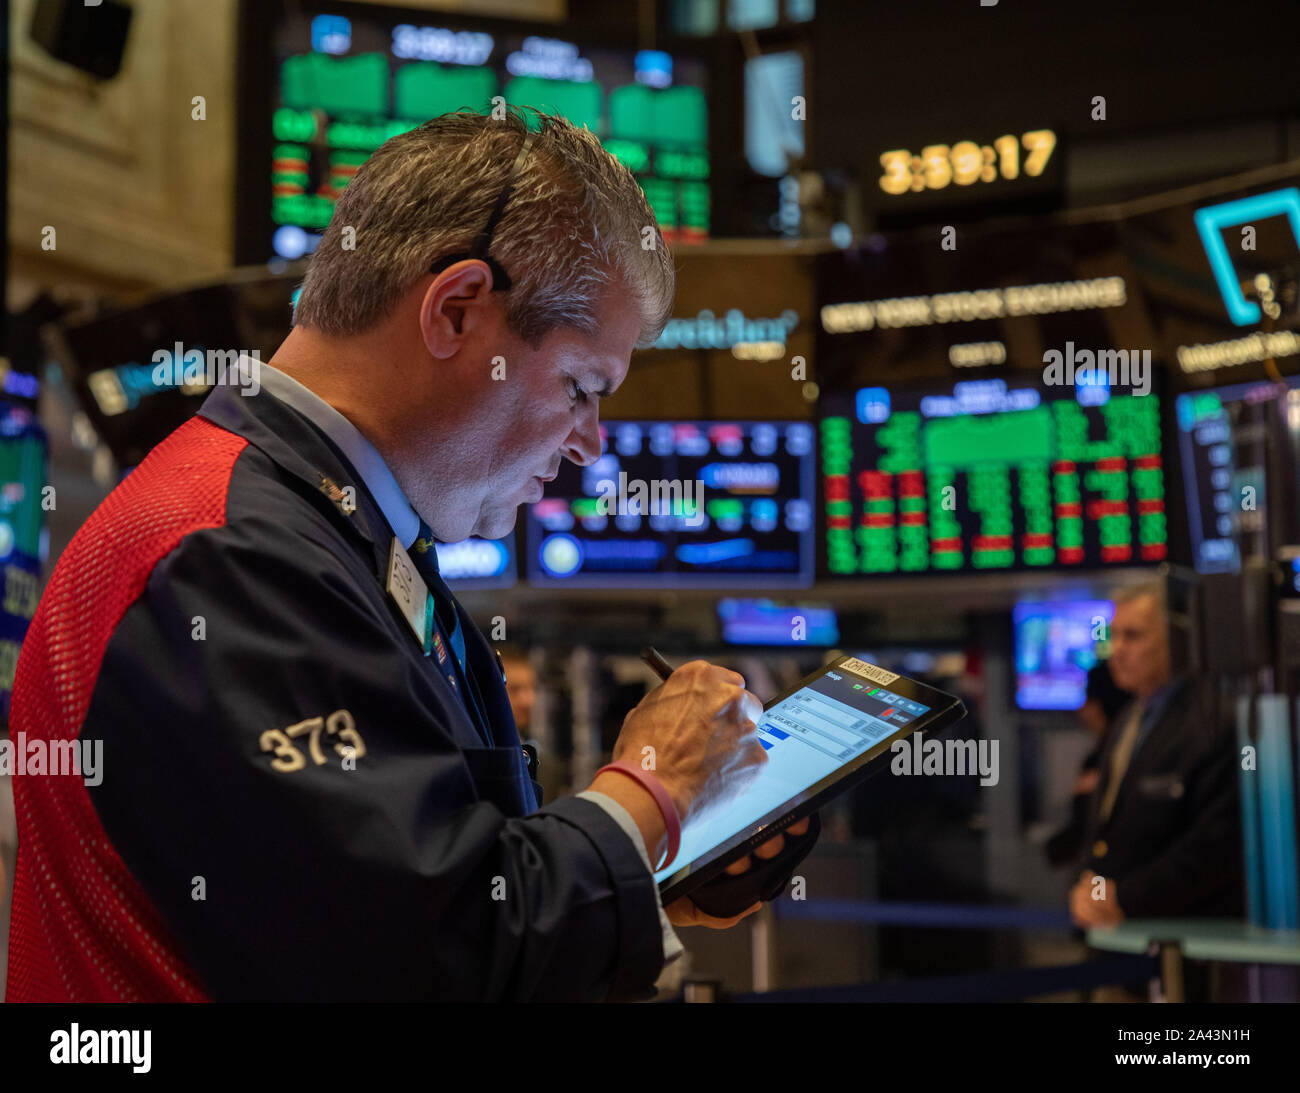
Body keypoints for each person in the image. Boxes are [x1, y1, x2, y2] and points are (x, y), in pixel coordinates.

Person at [6, 110, 817, 1002]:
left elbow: (414, 879)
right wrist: (650, 793)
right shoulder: (225, 552)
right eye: (583, 387)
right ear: (457, 308)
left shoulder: (335, 530)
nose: (591, 444)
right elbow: (423, 963)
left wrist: (652, 867)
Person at [1067, 582, 1244, 932]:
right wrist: (1090, 891)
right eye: (1112, 636)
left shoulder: (1214, 720)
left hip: (1187, 940)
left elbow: (1216, 843)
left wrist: (1124, 898)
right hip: (1117, 938)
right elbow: (1106, 829)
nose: (1116, 650)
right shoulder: (1128, 719)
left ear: (1177, 640)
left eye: (1133, 636)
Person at [1045, 660, 1131, 867]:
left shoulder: (1109, 759)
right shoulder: (1107, 753)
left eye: (1088, 699)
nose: (1082, 711)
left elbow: (1086, 831)